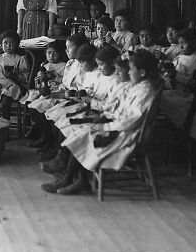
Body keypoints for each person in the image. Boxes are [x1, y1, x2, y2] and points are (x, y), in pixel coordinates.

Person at [44, 51, 161, 195]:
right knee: (82, 130)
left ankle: (71, 179)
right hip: (121, 125)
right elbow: (120, 108)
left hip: (128, 133)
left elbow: (132, 120)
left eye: (131, 69)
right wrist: (105, 116)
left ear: (142, 72)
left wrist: (106, 125)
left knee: (85, 133)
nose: (128, 72)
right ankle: (76, 177)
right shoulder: (136, 86)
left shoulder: (145, 91)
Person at [0, 30, 30, 120]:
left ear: (17, 44)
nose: (8, 46)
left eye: (12, 43)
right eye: (5, 43)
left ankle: (5, 123)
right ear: (1, 44)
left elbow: (25, 78)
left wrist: (13, 76)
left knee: (5, 101)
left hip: (12, 85)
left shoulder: (20, 59)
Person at [161, 28, 196, 93]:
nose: (181, 47)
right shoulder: (180, 57)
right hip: (170, 89)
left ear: (194, 43)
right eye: (179, 43)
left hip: (185, 94)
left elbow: (195, 83)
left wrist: (175, 75)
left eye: (183, 43)